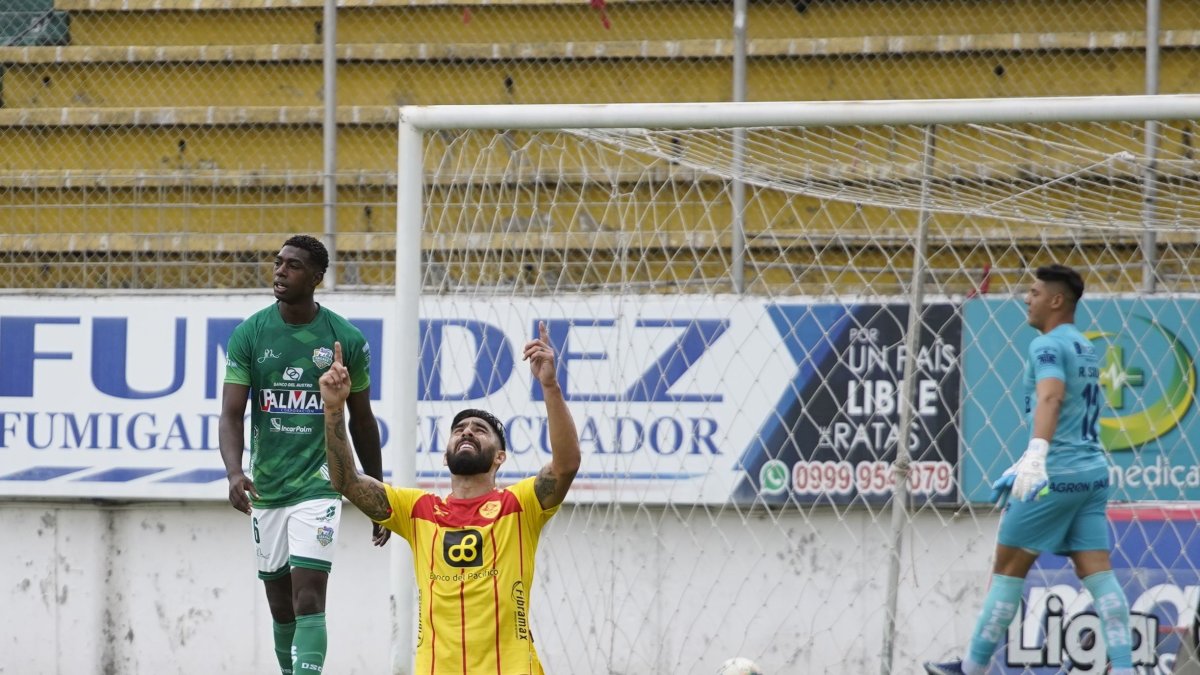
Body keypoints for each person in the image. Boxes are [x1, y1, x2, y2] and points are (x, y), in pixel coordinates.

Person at [319, 320, 580, 675]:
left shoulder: (520, 505)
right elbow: (346, 481)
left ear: (500, 457)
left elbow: (566, 465)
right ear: (445, 456)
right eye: (459, 429)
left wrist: (549, 385)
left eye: (480, 430)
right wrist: (334, 408)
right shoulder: (418, 510)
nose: (467, 432)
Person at [924, 264, 1135, 675]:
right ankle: (1126, 669)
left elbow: (1052, 398)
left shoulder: (1046, 346)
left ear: (1056, 300)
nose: (1027, 298)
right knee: (1097, 572)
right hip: (1091, 473)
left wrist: (1036, 457)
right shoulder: (1085, 346)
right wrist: (1029, 458)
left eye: (1035, 293)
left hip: (1055, 475)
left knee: (1007, 569)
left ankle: (971, 669)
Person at [219, 234, 389, 675]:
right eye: (278, 262)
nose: (280, 271)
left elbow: (363, 420)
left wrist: (375, 493)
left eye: (293, 265)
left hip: (320, 484)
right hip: (268, 487)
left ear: (317, 277)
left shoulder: (345, 339)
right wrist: (234, 472)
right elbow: (231, 414)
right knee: (281, 607)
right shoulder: (250, 333)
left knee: (309, 597)